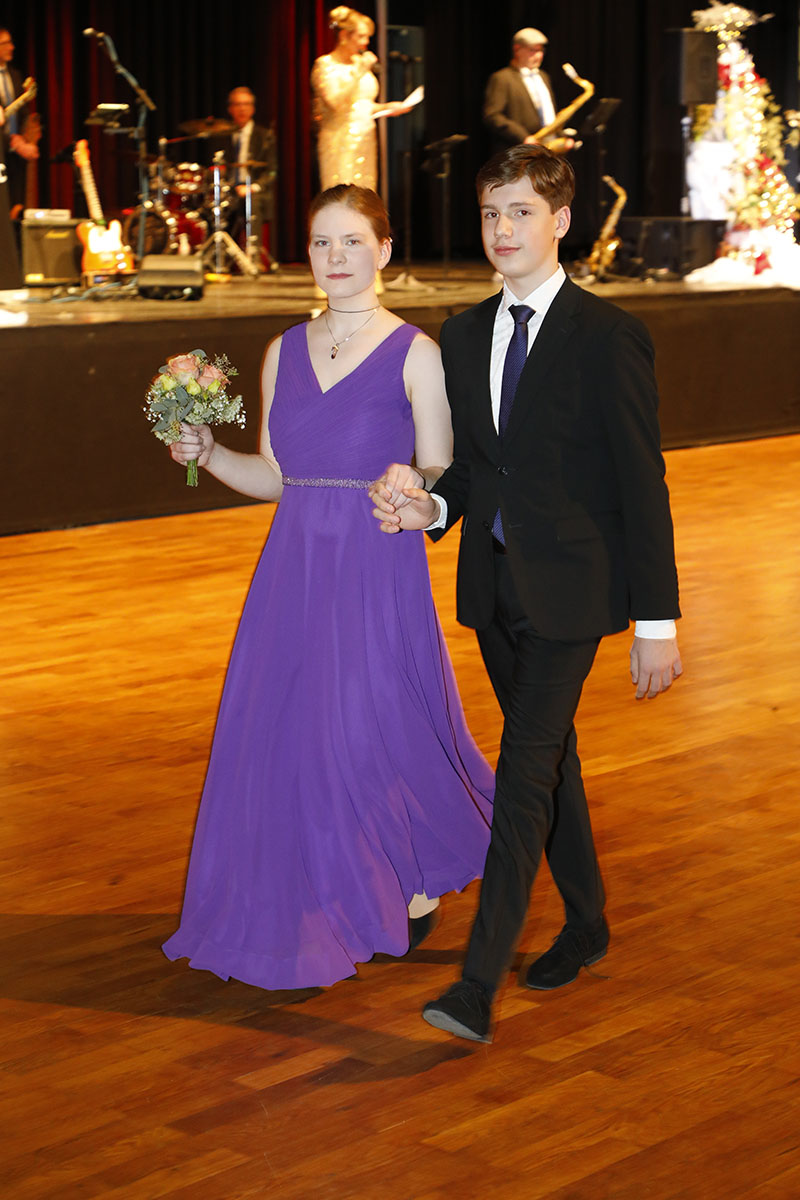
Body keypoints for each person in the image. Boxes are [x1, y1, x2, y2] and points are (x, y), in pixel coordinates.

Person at [369, 144, 682, 1042]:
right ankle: (586, 923)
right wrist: (432, 507)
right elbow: (475, 469)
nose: (503, 230)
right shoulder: (465, 334)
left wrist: (657, 621)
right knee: (551, 762)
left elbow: (642, 483)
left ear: (561, 221)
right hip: (493, 589)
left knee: (521, 773)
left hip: (573, 592)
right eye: (490, 214)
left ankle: (475, 988)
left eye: (521, 212)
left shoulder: (609, 336)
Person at [161, 184, 493, 991]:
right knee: (294, 734)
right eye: (320, 242)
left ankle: (404, 877)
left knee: (367, 726)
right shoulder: (283, 350)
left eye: (352, 241)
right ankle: (328, 891)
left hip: (375, 563)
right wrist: (209, 453)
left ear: (384, 251)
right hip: (292, 570)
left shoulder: (416, 352)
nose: (335, 257)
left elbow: (441, 463)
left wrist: (413, 485)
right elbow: (277, 477)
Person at [311, 6, 409, 192]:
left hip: (365, 140)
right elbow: (334, 102)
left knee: (365, 193)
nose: (366, 42)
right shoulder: (326, 65)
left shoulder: (358, 62)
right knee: (343, 193)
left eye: (368, 37)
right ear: (344, 36)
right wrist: (359, 71)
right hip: (340, 142)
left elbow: (362, 104)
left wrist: (388, 107)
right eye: (361, 36)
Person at [207, 86, 277, 267]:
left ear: (252, 108)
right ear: (230, 109)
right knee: (212, 202)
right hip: (230, 188)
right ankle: (218, 258)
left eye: (246, 104)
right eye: (237, 105)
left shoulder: (265, 136)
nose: (242, 109)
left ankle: (253, 256)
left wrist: (252, 187)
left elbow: (272, 171)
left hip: (254, 189)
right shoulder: (222, 134)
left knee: (251, 201)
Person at [483, 28, 572, 156]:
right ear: (517, 49)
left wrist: (561, 136)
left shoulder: (543, 76)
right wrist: (523, 137)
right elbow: (493, 115)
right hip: (520, 151)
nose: (539, 55)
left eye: (541, 50)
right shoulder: (502, 78)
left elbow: (549, 114)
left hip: (548, 149)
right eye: (533, 50)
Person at [0, 27, 37, 215]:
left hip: (16, 152)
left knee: (17, 205)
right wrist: (12, 141)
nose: (11, 47)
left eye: (10, 42)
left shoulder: (15, 75)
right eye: (5, 43)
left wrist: (27, 140)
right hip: (2, 148)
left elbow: (24, 113)